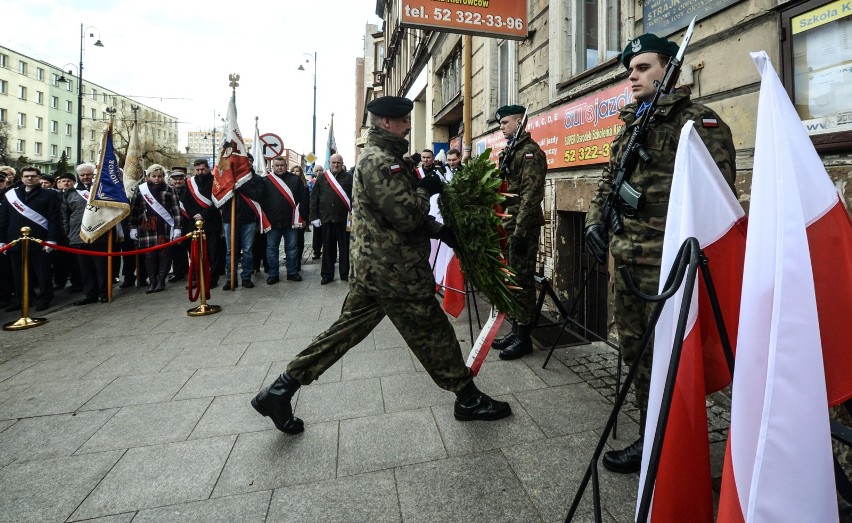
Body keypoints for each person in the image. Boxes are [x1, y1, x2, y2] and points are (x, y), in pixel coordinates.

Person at [251, 95, 511, 434]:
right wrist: (424, 189)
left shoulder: (386, 156)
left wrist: (442, 231)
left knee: (342, 334)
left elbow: (389, 215)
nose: (407, 125)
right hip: (395, 271)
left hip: (376, 267)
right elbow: (405, 216)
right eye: (403, 120)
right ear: (386, 122)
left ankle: (280, 390)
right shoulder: (378, 160)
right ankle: (468, 398)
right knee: (434, 332)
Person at [584, 34, 737, 474]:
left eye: (643, 68)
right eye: (630, 70)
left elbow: (719, 198)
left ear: (669, 69)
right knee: (636, 354)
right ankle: (653, 436)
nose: (633, 76)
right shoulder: (634, 124)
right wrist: (595, 220)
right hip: (629, 256)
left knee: (672, 356)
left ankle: (675, 445)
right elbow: (610, 181)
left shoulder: (697, 123)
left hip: (669, 263)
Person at [488, 105, 548, 361]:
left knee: (522, 282)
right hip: (510, 225)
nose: (502, 127)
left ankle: (524, 338)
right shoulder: (511, 152)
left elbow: (531, 197)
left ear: (519, 121)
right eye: (500, 123)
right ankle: (516, 329)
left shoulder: (530, 153)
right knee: (513, 280)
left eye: (505, 122)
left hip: (522, 228)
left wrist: (521, 232)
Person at [0, 166, 60, 312]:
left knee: (42, 272)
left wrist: (52, 239)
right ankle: (22, 300)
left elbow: (54, 219)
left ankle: (44, 299)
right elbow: (3, 219)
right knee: (18, 274)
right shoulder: (11, 195)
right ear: (21, 178)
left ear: (39, 178)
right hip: (15, 241)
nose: (29, 178)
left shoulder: (49, 195)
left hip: (39, 240)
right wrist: (2, 240)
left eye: (33, 176)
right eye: (26, 176)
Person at [62, 163, 111, 306]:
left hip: (99, 234)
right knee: (85, 268)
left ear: (93, 174)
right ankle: (90, 293)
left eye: (88, 174)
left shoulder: (102, 190)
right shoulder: (70, 192)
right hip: (78, 235)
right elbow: (65, 215)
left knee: (100, 267)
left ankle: (103, 292)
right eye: (82, 175)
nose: (85, 177)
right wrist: (68, 233)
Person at [128, 164, 182, 293]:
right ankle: (152, 281)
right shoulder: (140, 189)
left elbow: (176, 210)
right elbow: (134, 209)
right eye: (154, 176)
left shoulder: (170, 189)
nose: (157, 179)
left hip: (164, 227)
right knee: (149, 256)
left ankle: (161, 280)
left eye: (160, 176)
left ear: (163, 177)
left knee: (164, 255)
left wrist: (177, 228)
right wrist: (132, 227)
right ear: (148, 177)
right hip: (147, 226)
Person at [260, 156, 308, 284]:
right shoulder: (266, 181)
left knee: (292, 247)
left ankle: (292, 272)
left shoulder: (295, 180)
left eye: (282, 165)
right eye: (277, 165)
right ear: (273, 166)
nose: (279, 167)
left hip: (291, 220)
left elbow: (303, 199)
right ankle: (273, 274)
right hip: (272, 221)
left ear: (286, 166)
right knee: (271, 248)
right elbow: (261, 202)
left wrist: (304, 218)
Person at [219, 166, 264, 290]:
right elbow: (219, 197)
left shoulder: (257, 179)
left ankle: (246, 277)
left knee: (248, 250)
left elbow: (258, 195)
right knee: (230, 251)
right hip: (230, 219)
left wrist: (241, 184)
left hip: (248, 219)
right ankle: (230, 278)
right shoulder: (227, 179)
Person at [181, 159, 224, 288]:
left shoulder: (216, 181)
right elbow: (186, 201)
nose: (200, 172)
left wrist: (203, 215)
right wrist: (195, 215)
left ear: (208, 168)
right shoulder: (190, 183)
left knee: (213, 252)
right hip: (194, 222)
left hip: (212, 222)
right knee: (196, 253)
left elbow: (219, 201)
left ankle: (212, 279)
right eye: (197, 170)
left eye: (202, 169)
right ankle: (198, 278)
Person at [309, 154, 352, 284]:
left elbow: (355, 197)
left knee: (345, 249)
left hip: (343, 219)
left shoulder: (349, 178)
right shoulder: (322, 178)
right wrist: (314, 216)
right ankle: (327, 275)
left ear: (342, 163)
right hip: (326, 219)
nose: (336, 165)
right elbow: (314, 198)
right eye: (333, 162)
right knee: (327, 249)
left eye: (339, 162)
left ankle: (345, 274)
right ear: (329, 162)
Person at [52, 171, 82, 292]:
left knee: (76, 261)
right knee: (62, 260)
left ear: (74, 183)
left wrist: (68, 232)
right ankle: (61, 281)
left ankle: (77, 283)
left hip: (72, 232)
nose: (66, 183)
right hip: (59, 232)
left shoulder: (77, 194)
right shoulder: (55, 194)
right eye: (63, 181)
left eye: (69, 181)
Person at [167, 167, 190, 283]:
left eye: (180, 179)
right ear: (171, 180)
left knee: (191, 249)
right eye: (175, 179)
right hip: (175, 225)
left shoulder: (189, 191)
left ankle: (192, 271)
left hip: (188, 224)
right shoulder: (168, 191)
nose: (177, 181)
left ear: (184, 180)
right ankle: (178, 272)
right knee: (177, 251)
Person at [291, 165, 309, 271]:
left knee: (299, 239)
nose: (295, 173)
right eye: (293, 171)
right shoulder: (287, 184)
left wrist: (306, 219)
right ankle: (292, 261)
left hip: (300, 216)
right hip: (289, 216)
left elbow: (306, 203)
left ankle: (298, 260)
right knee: (291, 241)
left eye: (297, 171)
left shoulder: (305, 186)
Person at [309, 165, 324, 261]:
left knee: (326, 234)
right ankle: (316, 251)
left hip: (325, 212)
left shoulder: (326, 181)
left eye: (320, 170)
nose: (319, 172)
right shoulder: (311, 183)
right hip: (316, 211)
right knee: (317, 234)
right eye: (317, 170)